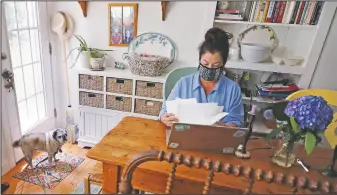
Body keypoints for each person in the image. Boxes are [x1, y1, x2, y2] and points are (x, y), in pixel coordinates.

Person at [159, 27, 244, 127]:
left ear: (223, 64)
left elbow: (237, 121)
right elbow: (164, 112)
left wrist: (225, 127)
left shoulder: (233, 89)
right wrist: (164, 118)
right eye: (205, 63)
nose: (209, 68)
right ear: (199, 60)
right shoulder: (184, 83)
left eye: (216, 65)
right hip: (186, 135)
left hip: (216, 138)